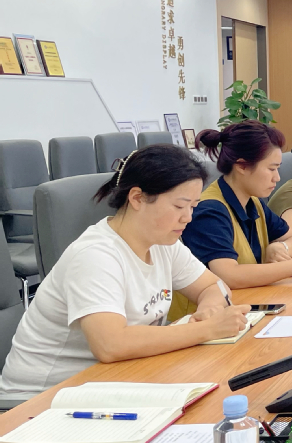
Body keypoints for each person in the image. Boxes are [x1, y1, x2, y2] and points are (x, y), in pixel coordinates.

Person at [0, 145, 251, 400]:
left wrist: (209, 309)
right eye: (179, 206)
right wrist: (207, 329)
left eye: (193, 207)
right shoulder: (95, 256)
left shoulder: (164, 243)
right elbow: (110, 344)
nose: (188, 217)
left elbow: (213, 286)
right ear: (137, 198)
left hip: (111, 381)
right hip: (42, 399)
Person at [182, 121, 292, 288]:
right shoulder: (210, 210)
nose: (277, 178)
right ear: (242, 166)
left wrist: (281, 247)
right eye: (271, 169)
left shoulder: (254, 203)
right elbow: (229, 275)